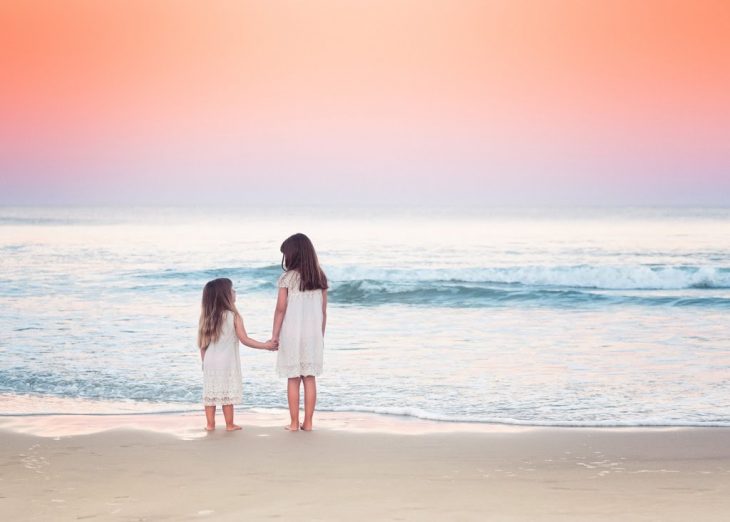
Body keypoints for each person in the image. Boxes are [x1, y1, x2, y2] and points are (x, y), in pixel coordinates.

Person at [198, 277, 277, 431]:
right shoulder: (233, 316)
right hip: (226, 362)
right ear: (225, 296)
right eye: (232, 290)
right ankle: (229, 424)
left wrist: (204, 363)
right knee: (226, 393)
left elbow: (202, 346)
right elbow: (245, 339)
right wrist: (265, 346)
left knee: (210, 393)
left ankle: (210, 424)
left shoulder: (207, 318)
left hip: (209, 362)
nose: (235, 292)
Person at [271, 233, 328, 431]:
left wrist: (275, 336)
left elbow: (280, 309)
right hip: (313, 336)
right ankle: (309, 423)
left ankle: (294, 423)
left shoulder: (287, 278)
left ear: (293, 255)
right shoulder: (319, 277)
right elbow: (323, 311)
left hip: (292, 334)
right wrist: (320, 335)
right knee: (310, 377)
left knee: (293, 378)